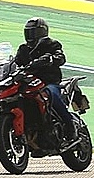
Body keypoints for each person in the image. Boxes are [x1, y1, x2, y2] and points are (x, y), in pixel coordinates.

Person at [18, 17, 74, 148]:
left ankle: (69, 125)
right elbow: (14, 63)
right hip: (29, 82)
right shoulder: (23, 49)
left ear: (42, 32)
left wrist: (52, 59)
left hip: (49, 82)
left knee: (51, 94)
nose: (30, 36)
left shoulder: (51, 44)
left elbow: (60, 57)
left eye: (34, 32)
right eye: (28, 32)